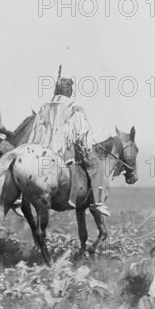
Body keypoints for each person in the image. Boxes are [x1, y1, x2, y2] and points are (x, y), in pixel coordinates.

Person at [26, 68, 110, 216]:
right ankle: (97, 202)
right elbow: (82, 133)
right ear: (69, 91)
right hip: (63, 151)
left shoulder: (44, 106)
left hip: (41, 150)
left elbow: (35, 131)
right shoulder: (74, 108)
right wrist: (86, 148)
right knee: (96, 166)